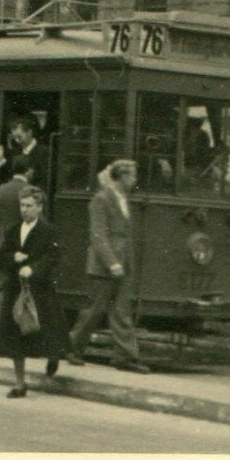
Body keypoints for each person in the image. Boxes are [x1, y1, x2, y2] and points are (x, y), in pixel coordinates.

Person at [68, 160, 151, 374]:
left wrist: (125, 262)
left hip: (122, 264)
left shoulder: (124, 200)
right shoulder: (101, 199)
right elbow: (98, 235)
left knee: (122, 311)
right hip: (105, 266)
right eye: (132, 176)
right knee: (93, 310)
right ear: (121, 177)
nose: (135, 180)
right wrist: (111, 261)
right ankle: (71, 348)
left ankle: (126, 356)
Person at [0, 186, 66, 397]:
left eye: (29, 206)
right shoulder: (13, 230)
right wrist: (12, 258)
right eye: (22, 206)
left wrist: (33, 269)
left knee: (47, 328)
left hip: (39, 289)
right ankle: (20, 384)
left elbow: (52, 257)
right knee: (15, 337)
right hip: (16, 289)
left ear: (39, 207)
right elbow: (2, 255)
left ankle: (54, 357)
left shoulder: (48, 231)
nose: (24, 210)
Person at [0, 156, 32, 326]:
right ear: (28, 171)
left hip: (1, 246)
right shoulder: (31, 192)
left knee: (0, 289)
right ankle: (19, 330)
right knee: (22, 288)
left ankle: (1, 330)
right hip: (23, 247)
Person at [0, 115, 49, 189]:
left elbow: (45, 179)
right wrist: (1, 159)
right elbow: (6, 176)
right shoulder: (14, 152)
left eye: (19, 137)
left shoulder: (44, 151)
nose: (17, 141)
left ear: (29, 133)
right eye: (15, 138)